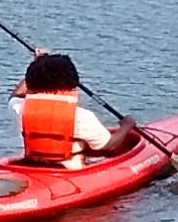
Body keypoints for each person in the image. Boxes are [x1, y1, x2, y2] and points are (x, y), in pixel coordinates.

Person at [12, 52, 141, 168]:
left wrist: (37, 64)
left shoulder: (20, 108)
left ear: (30, 81)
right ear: (72, 81)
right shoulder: (81, 117)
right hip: (69, 173)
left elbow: (16, 96)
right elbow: (109, 147)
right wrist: (126, 126)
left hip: (33, 168)